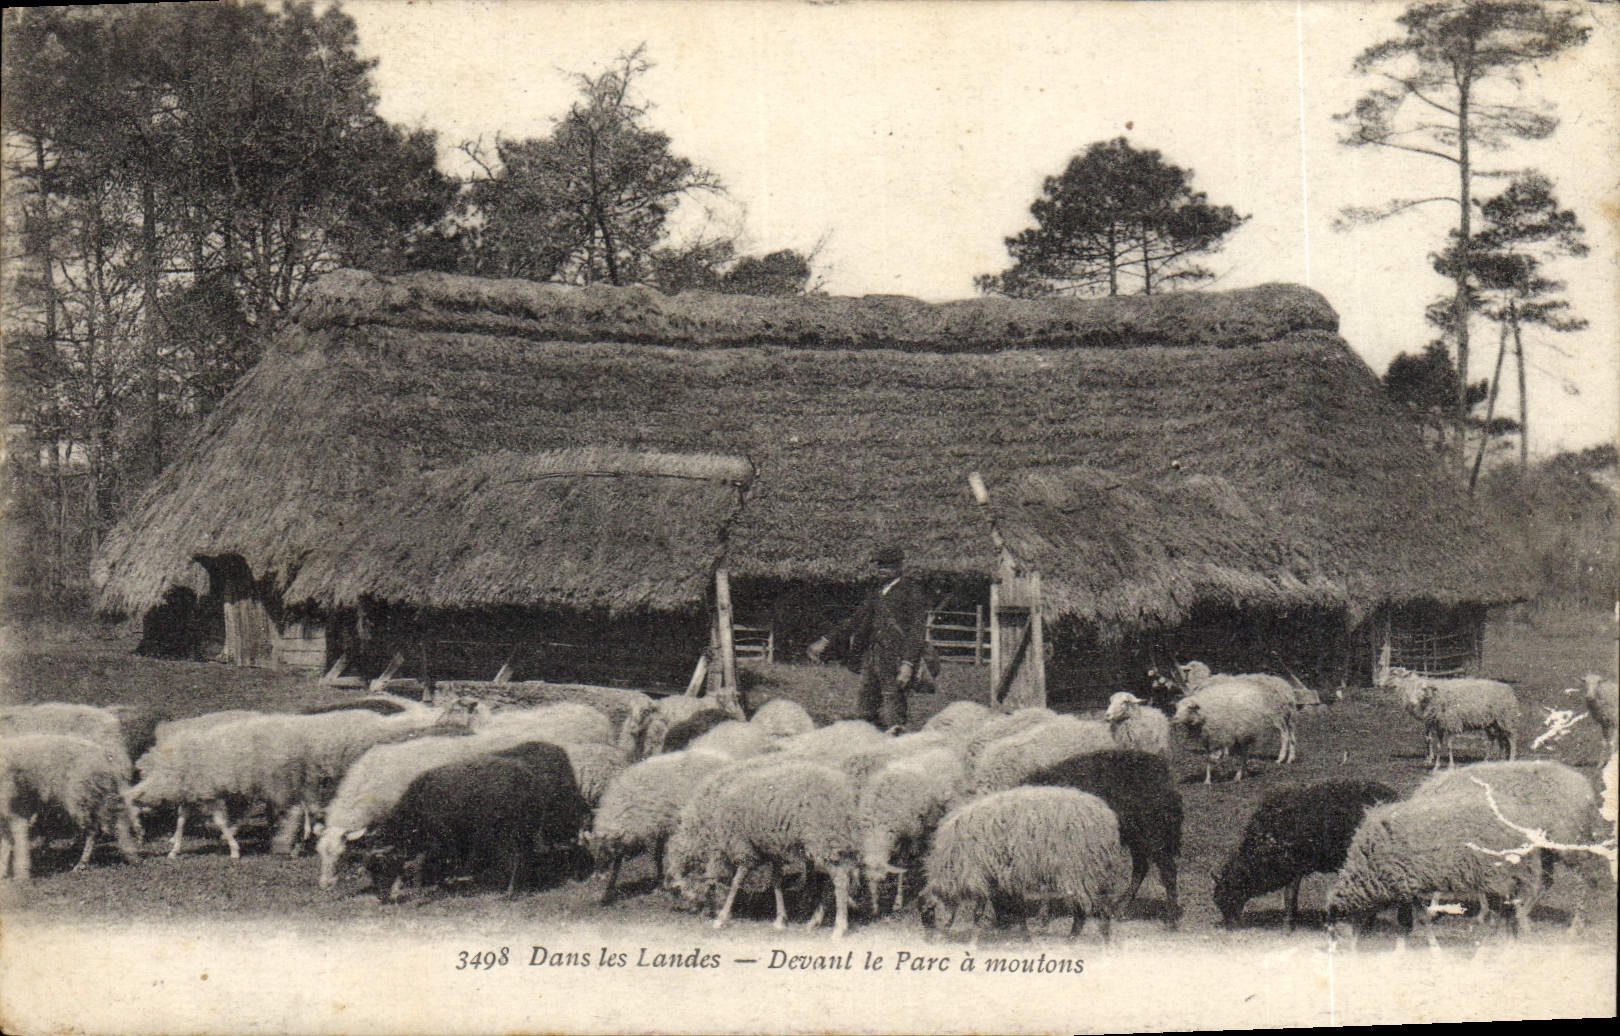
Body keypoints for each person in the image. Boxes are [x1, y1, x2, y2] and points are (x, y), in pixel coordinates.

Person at [805, 545, 930, 733]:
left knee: (893, 706)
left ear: (899, 566)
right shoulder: (876, 592)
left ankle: (896, 745)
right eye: (879, 564)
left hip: (896, 658)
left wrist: (908, 664)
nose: (881, 568)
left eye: (886, 565)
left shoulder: (911, 591)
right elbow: (856, 619)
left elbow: (916, 631)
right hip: (872, 657)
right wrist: (826, 640)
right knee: (865, 706)